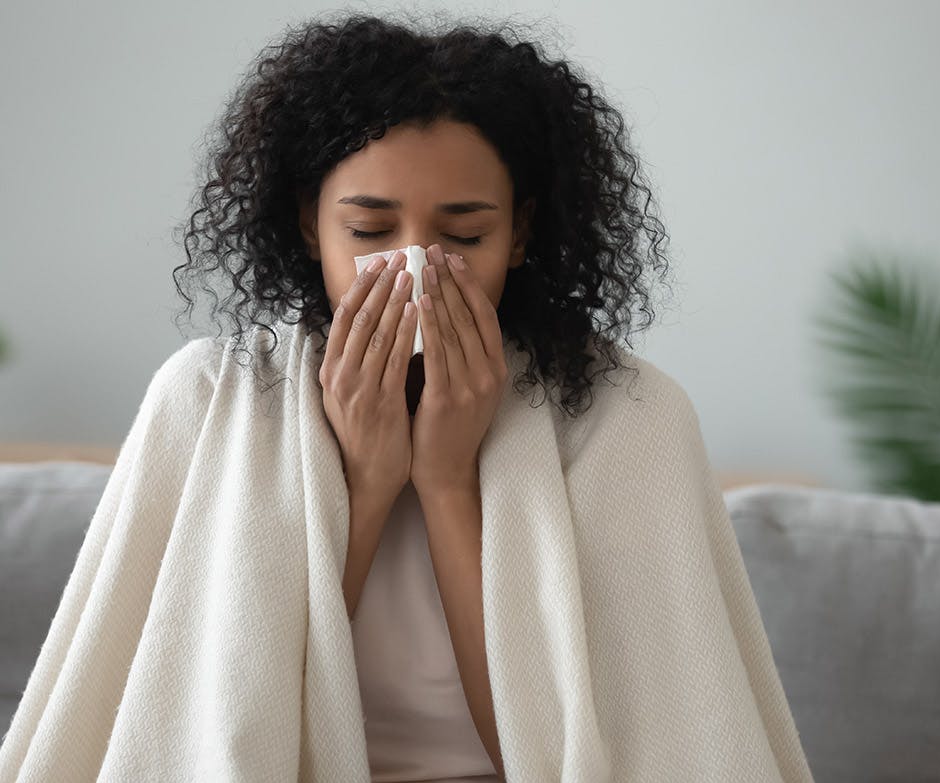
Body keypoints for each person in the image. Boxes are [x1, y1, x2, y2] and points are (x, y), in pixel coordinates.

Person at [1, 10, 814, 783]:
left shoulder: (629, 416)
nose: (415, 268)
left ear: (522, 233)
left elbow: (569, 756)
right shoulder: (208, 400)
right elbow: (216, 734)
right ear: (308, 224)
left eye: (463, 236)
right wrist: (362, 478)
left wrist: (449, 479)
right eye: (368, 231)